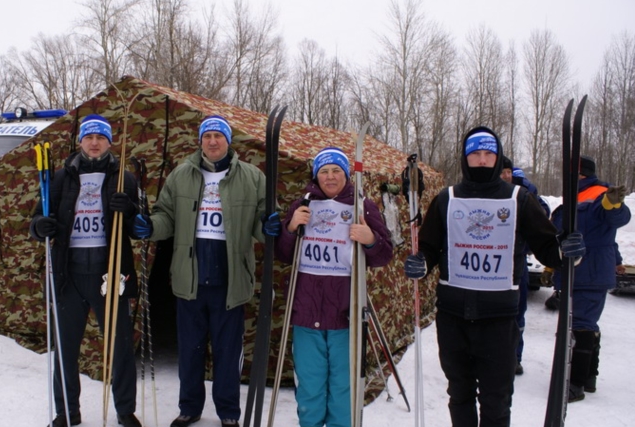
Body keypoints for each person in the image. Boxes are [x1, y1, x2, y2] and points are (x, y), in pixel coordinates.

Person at [403, 127, 585, 427]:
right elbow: (429, 247)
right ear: (465, 158)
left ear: (498, 158)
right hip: (453, 315)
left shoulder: (519, 199)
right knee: (459, 394)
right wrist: (420, 263)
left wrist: (569, 250)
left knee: (496, 398)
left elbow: (549, 251)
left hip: (498, 318)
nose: (483, 160)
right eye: (476, 154)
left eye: (489, 154)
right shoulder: (447, 199)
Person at [132, 115, 280, 427]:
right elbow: (165, 216)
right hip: (190, 276)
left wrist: (267, 226)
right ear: (200, 141)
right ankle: (190, 408)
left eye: (218, 135)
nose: (212, 141)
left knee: (228, 351)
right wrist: (150, 228)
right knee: (190, 349)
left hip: (231, 277)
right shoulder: (181, 175)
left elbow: (260, 220)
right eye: (207, 135)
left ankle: (228, 413)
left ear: (229, 141)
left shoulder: (252, 177)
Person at [30, 114, 142, 427]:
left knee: (120, 346)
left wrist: (131, 211)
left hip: (110, 274)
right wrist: (41, 226)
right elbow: (37, 219)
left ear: (110, 142)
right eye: (89, 137)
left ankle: (124, 410)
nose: (95, 143)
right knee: (65, 348)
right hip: (69, 273)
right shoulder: (62, 176)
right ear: (81, 141)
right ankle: (67, 411)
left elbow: (136, 228)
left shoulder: (124, 178)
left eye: (101, 138)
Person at [275, 147, 393, 427]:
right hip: (306, 311)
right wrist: (290, 228)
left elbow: (384, 253)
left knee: (343, 386)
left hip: (345, 313)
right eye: (324, 171)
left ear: (346, 174)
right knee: (311, 386)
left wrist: (370, 239)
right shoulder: (303, 203)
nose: (330, 177)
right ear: (316, 176)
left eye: (336, 171)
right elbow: (282, 253)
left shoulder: (362, 206)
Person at [545, 155, 631, 402]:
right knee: (585, 324)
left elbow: (617, 219)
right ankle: (589, 377)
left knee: (581, 325)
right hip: (578, 271)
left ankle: (575, 384)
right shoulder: (576, 196)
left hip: (589, 272)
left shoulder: (600, 196)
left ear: (578, 173)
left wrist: (614, 205)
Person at [500, 159, 551, 375]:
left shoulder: (524, 192)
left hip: (516, 262)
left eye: (507, 172)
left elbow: (543, 218)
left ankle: (514, 358)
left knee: (516, 314)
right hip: (490, 265)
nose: (504, 176)